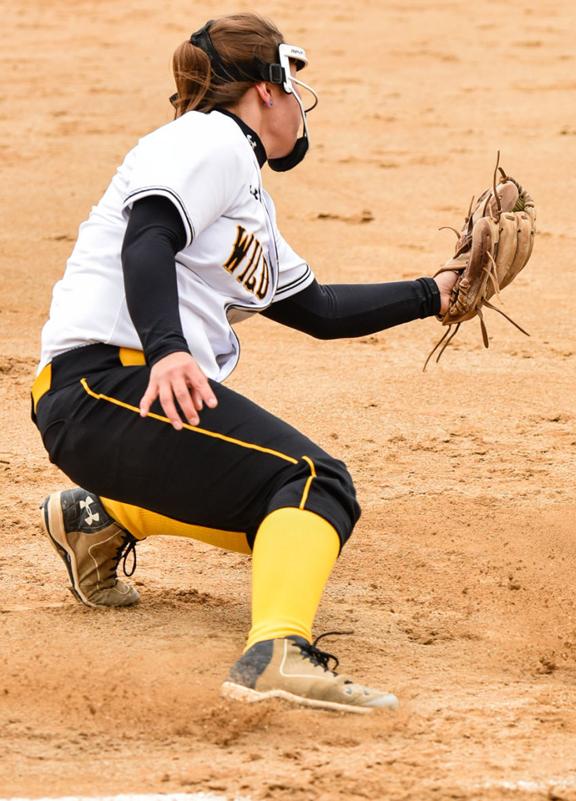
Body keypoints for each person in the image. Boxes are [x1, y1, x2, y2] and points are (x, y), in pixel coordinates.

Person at [31, 14, 482, 712]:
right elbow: (147, 236)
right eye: (293, 83)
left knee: (291, 517)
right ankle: (275, 654)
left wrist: (434, 294)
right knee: (312, 480)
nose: (300, 101)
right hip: (106, 382)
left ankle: (102, 519)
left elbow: (319, 309)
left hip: (116, 397)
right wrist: (168, 350)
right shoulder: (209, 138)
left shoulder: (242, 192)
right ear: (265, 90)